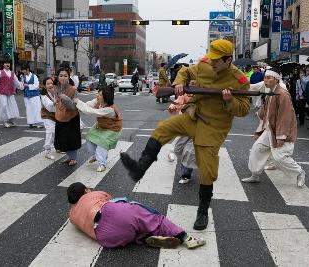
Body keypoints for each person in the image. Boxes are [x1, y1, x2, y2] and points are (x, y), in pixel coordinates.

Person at [120, 39, 251, 231]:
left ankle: (203, 212)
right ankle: (140, 168)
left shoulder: (240, 80)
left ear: (228, 59)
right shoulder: (204, 65)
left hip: (214, 127)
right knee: (162, 129)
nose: (212, 63)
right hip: (194, 116)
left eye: (216, 60)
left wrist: (229, 101)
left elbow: (244, 109)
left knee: (207, 172)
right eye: (211, 58)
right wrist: (180, 83)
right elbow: (186, 71)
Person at [67, 182, 206, 249]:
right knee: (153, 219)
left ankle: (145, 238)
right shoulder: (91, 195)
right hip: (113, 213)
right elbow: (110, 198)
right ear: (86, 191)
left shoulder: (72, 215)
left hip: (106, 238)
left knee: (130, 231)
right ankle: (186, 238)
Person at [242, 68, 306, 187]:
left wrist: (281, 136)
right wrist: (260, 121)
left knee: (279, 157)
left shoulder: (282, 93)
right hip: (270, 129)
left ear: (276, 79)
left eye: (268, 78)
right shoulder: (270, 91)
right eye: (265, 78)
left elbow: (285, 115)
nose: (265, 80)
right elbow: (266, 108)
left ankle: (299, 172)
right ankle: (255, 175)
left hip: (281, 130)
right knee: (257, 149)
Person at [75, 85, 123, 172]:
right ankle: (97, 155)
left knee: (102, 142)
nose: (97, 96)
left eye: (100, 95)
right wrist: (79, 106)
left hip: (113, 129)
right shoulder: (98, 101)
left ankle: (102, 164)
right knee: (89, 138)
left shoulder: (110, 109)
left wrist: (78, 102)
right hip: (101, 125)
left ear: (106, 97)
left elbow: (93, 112)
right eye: (98, 94)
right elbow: (88, 105)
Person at [54, 67, 82, 166]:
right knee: (62, 139)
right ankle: (70, 157)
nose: (63, 78)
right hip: (60, 116)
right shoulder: (56, 87)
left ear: (69, 77)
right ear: (57, 77)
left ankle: (73, 158)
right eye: (61, 76)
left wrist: (66, 99)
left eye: (65, 76)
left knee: (71, 139)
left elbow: (75, 106)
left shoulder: (73, 89)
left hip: (71, 117)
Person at [167, 93, 196, 184]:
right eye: (191, 83)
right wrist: (173, 107)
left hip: (198, 127)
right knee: (177, 147)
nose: (193, 85)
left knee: (189, 152)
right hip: (184, 126)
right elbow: (178, 102)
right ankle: (172, 152)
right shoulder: (185, 94)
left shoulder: (203, 92)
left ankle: (186, 175)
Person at [0, 58, 22, 128]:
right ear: (3, 64)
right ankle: (4, 121)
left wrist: (21, 86)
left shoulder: (12, 73)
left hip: (10, 92)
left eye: (8, 63)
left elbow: (16, 82)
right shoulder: (0, 72)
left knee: (12, 106)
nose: (7, 64)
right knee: (4, 106)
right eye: (6, 63)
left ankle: (11, 120)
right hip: (2, 92)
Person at [20, 64, 43, 128]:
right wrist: (21, 85)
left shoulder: (34, 76)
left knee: (37, 108)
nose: (23, 71)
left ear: (27, 69)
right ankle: (31, 122)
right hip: (26, 95)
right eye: (22, 70)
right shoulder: (22, 77)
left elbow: (36, 86)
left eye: (23, 70)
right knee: (28, 108)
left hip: (34, 95)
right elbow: (21, 87)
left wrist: (27, 85)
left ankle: (39, 122)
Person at [40, 77, 57, 160]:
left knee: (58, 132)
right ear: (45, 86)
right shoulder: (43, 95)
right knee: (50, 131)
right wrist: (55, 102)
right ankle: (48, 151)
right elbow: (49, 107)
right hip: (47, 116)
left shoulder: (57, 92)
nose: (50, 85)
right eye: (48, 84)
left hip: (57, 116)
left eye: (51, 83)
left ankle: (58, 147)